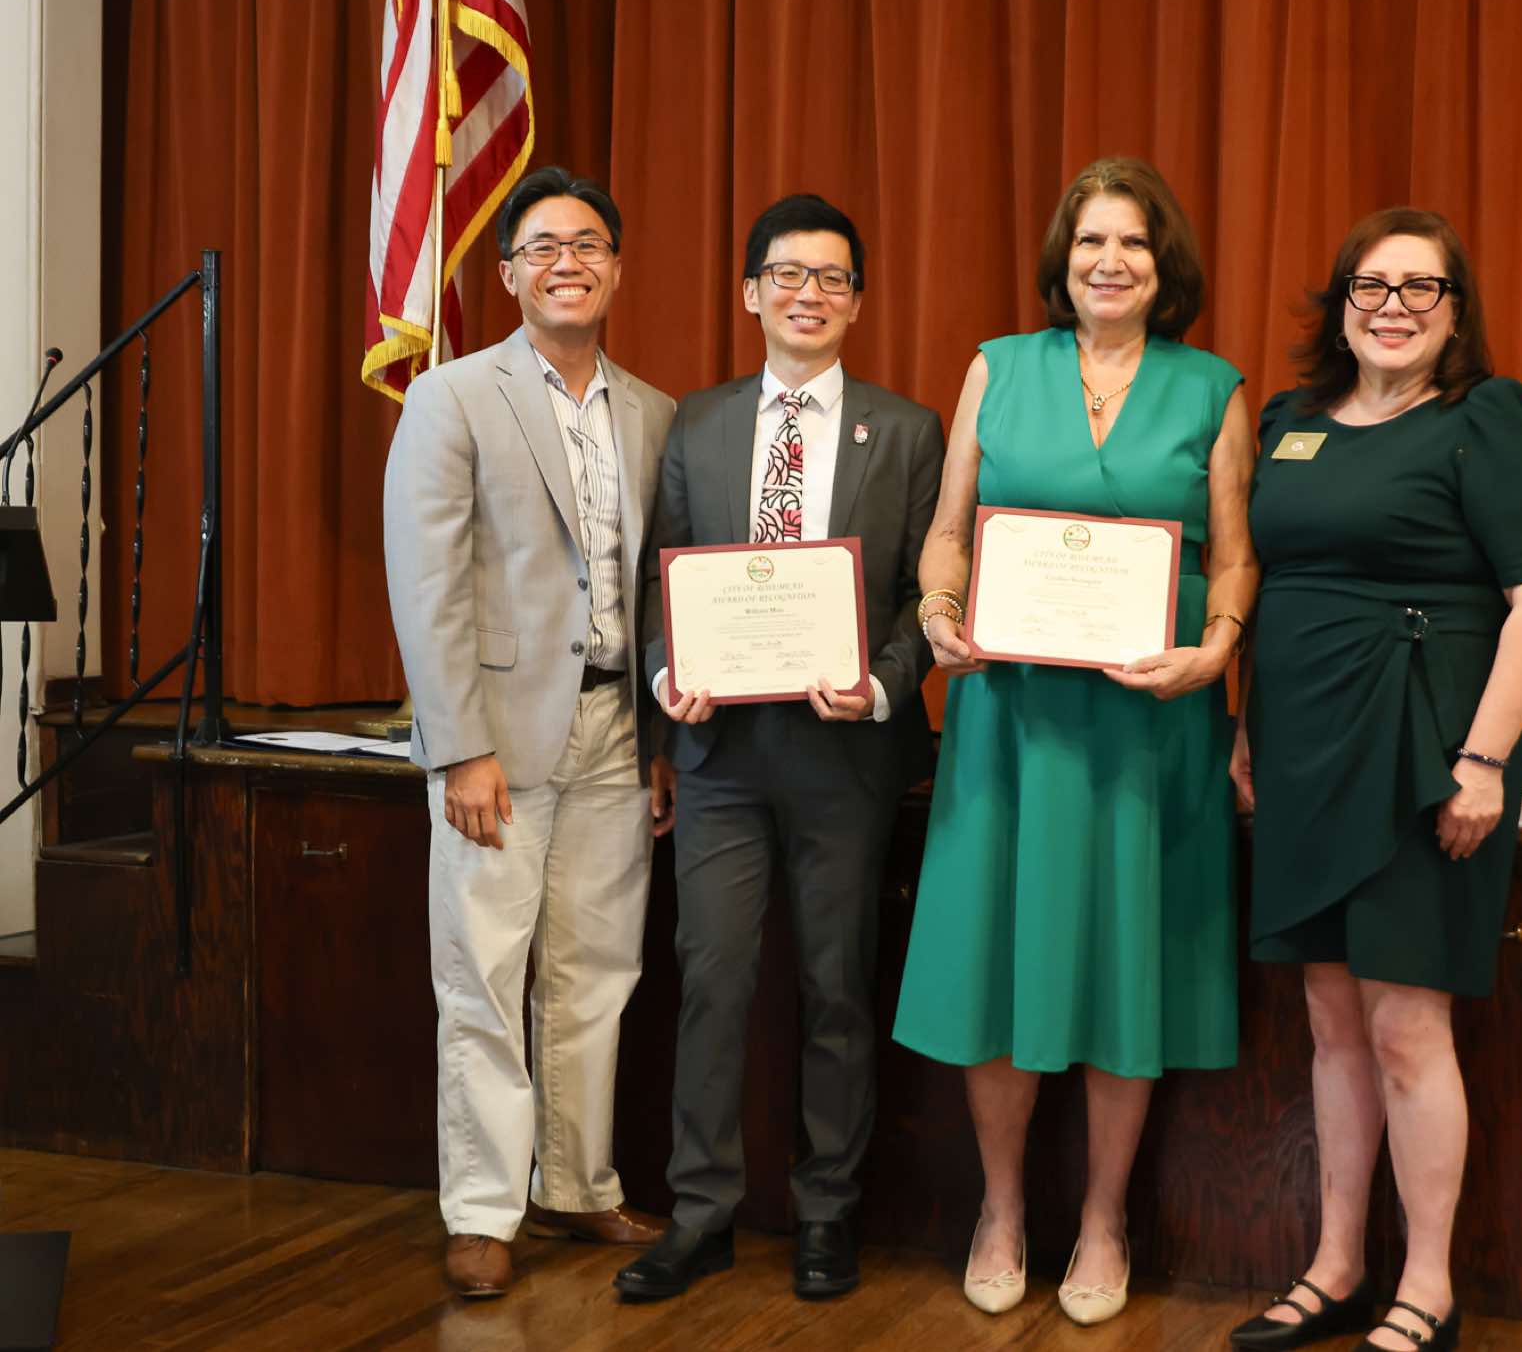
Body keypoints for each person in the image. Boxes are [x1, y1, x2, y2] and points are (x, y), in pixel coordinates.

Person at [891, 156, 1256, 1327]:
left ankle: (1103, 1218)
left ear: (1163, 265)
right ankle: (1000, 1210)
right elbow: (947, 534)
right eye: (1091, 241)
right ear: (1063, 261)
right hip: (1010, 717)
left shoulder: (1211, 390)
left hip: (1150, 719)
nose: (1109, 262)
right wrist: (937, 613)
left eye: (1132, 243)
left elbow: (1235, 556)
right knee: (997, 950)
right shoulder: (997, 368)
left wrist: (1214, 651)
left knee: (1122, 959)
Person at [1225, 209, 1522, 1352]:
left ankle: (1426, 1285)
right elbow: (1273, 588)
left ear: (1454, 312)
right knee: (1330, 1021)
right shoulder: (1289, 424)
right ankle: (1335, 1267)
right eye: (1369, 285)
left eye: (1420, 288)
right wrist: (1246, 727)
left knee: (1405, 1027)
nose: (1391, 306)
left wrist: (1482, 760)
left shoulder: (1486, 420)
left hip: (1423, 758)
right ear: (1338, 304)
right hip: (1301, 750)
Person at [612, 194, 944, 1305]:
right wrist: (667, 679)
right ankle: (700, 1214)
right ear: (751, 291)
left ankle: (826, 1212)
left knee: (835, 984)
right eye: (788, 275)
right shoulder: (697, 423)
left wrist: (883, 682)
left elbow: (924, 593)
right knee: (711, 978)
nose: (809, 294)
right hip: (721, 757)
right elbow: (660, 577)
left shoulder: (907, 431)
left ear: (857, 302)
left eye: (832, 278)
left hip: (844, 756)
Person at [383, 166, 677, 1298]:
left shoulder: (652, 410)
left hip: (616, 729)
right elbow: (428, 585)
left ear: (618, 268)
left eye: (588, 244)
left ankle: (577, 1184)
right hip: (496, 739)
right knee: (483, 976)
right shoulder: (452, 397)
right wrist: (457, 745)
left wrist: (659, 740)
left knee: (596, 972)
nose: (568, 262)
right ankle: (480, 1209)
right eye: (543, 246)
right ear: (508, 273)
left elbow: (657, 588)